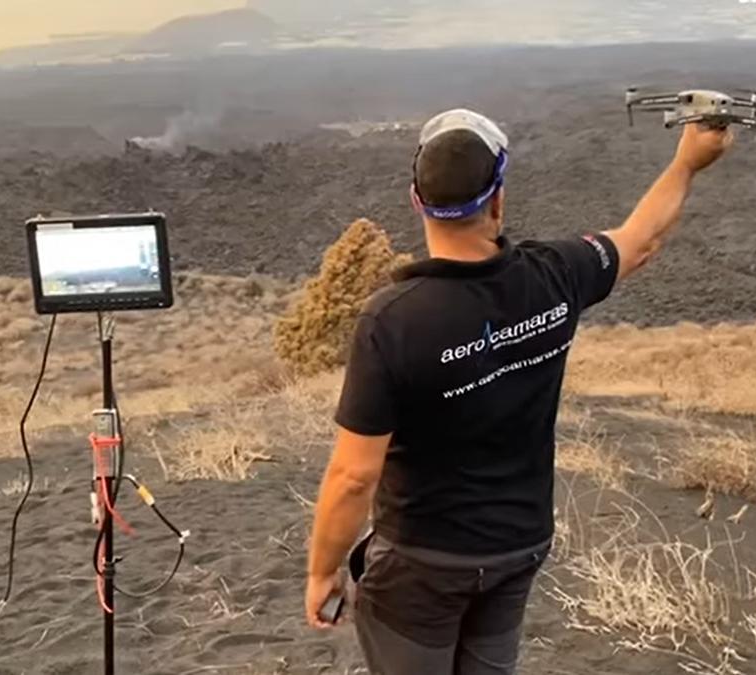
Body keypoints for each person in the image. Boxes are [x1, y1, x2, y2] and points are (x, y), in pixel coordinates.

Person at [305, 108, 733, 674]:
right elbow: (642, 239)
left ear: (416, 202)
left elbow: (355, 475)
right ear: (497, 200)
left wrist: (322, 572)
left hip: (422, 560)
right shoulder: (555, 274)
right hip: (517, 547)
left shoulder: (392, 321)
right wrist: (686, 163)